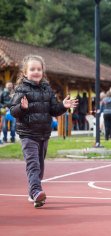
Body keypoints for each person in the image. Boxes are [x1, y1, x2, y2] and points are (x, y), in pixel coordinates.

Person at [10, 55, 78, 208]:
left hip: (44, 133)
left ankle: (33, 192)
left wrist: (63, 105)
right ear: (25, 72)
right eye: (32, 69)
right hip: (28, 134)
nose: (36, 72)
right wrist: (22, 108)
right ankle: (36, 191)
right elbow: (13, 111)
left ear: (43, 72)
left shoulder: (47, 89)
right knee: (33, 164)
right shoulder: (21, 89)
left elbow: (53, 110)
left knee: (40, 165)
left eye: (39, 69)